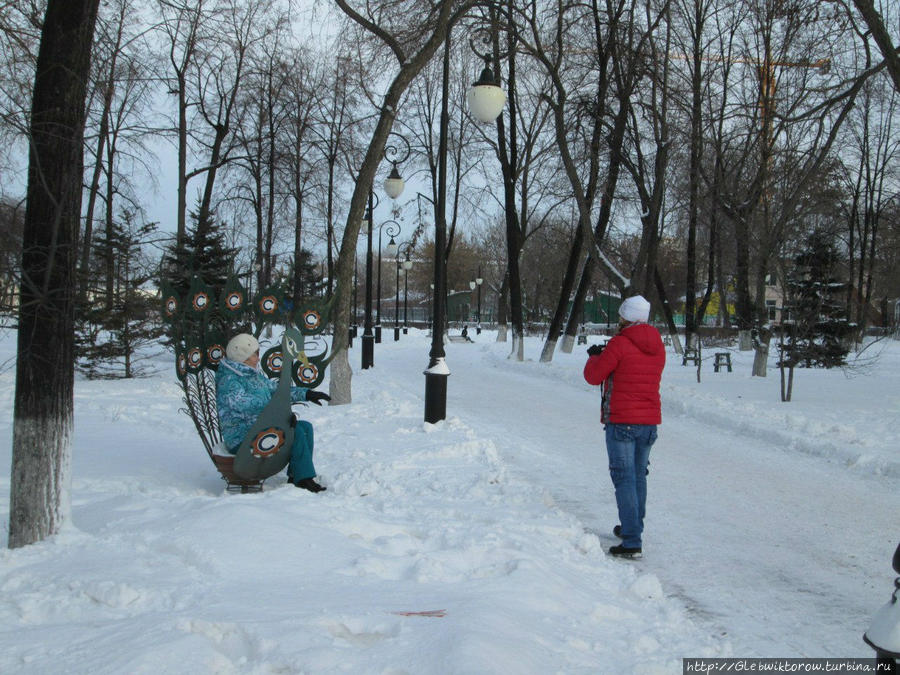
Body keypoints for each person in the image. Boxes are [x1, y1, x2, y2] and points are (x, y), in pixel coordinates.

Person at [583, 295, 665, 559]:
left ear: (625, 317)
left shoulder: (619, 343)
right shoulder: (658, 344)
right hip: (649, 421)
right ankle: (633, 527)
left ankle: (631, 541)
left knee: (624, 478)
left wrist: (595, 357)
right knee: (638, 476)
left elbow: (594, 376)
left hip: (622, 421)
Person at [216, 333, 330, 493]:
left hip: (260, 428)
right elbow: (245, 404)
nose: (258, 357)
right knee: (294, 431)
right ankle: (304, 478)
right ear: (243, 357)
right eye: (255, 354)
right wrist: (281, 414)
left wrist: (307, 394)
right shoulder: (229, 381)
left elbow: (277, 391)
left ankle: (296, 474)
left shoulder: (252, 375)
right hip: (242, 438)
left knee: (305, 428)